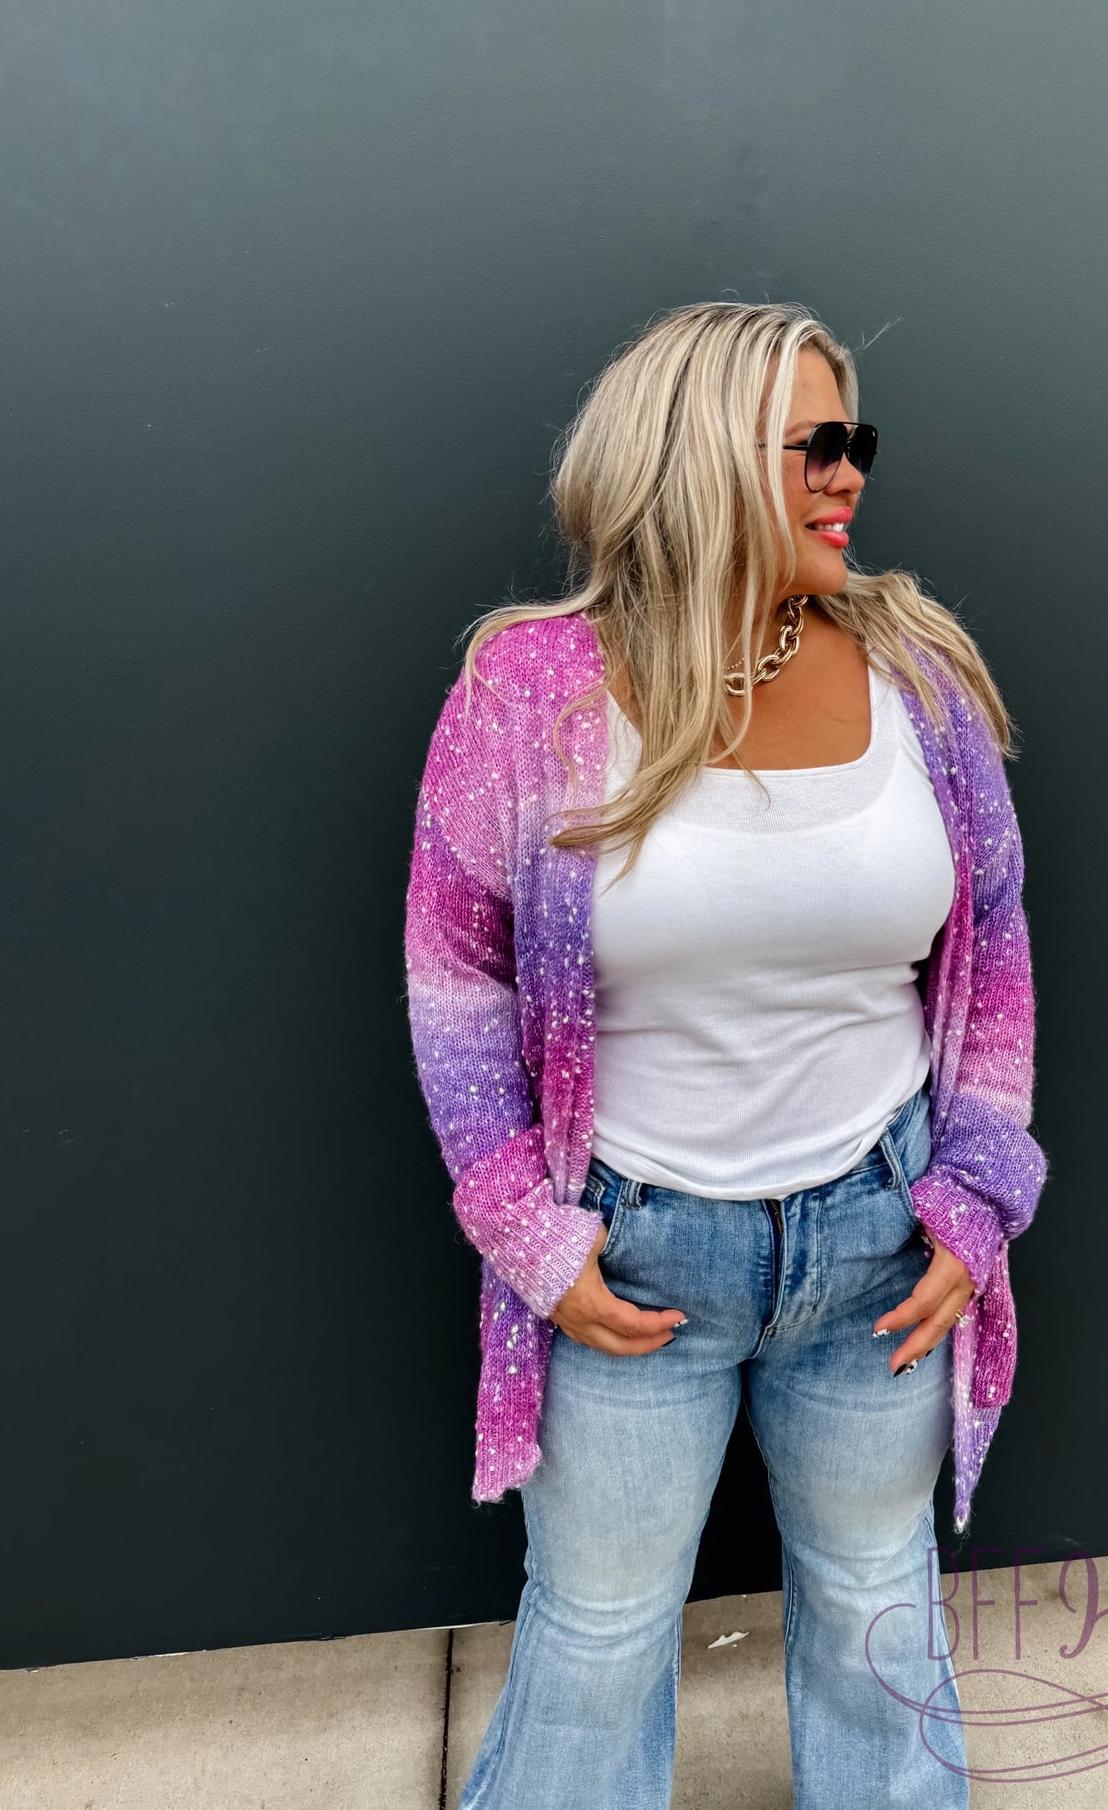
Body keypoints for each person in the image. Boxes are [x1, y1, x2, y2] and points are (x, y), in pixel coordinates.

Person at [403, 300, 1048, 1810]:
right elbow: (455, 980)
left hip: (882, 1242)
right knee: (600, 1628)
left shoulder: (917, 673)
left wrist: (975, 1194)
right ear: (693, 460)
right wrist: (525, 1233)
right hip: (634, 1257)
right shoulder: (530, 692)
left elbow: (995, 949)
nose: (850, 474)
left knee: (880, 1603)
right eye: (813, 445)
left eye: (855, 441)